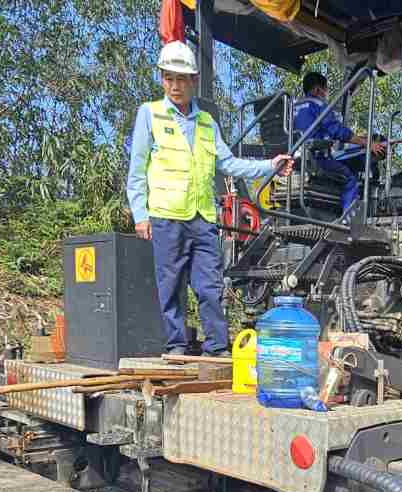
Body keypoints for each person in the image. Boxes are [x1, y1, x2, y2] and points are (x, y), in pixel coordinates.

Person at [126, 41, 293, 357]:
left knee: (209, 285)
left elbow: (229, 164)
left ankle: (216, 347)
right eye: (169, 78)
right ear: (162, 79)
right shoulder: (150, 114)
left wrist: (270, 165)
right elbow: (136, 171)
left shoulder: (206, 122)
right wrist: (140, 214)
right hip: (166, 216)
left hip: (203, 217)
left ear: (193, 82)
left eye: (181, 79)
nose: (175, 86)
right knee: (171, 285)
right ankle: (176, 345)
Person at [291, 71, 387, 217]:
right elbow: (338, 131)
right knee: (349, 178)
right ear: (317, 90)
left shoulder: (292, 107)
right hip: (315, 158)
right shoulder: (318, 105)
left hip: (293, 159)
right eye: (325, 90)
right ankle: (348, 221)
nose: (326, 94)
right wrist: (368, 143)